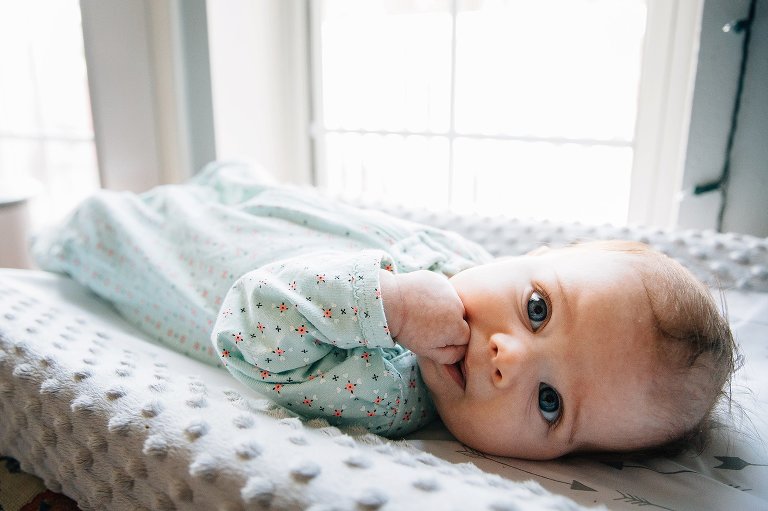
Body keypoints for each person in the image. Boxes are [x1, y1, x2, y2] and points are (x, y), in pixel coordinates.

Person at [32, 162, 737, 460]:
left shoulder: (389, 388)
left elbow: (248, 326)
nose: (510, 356)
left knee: (84, 222)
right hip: (247, 200)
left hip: (160, 253)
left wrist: (389, 305)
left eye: (549, 403)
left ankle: (46, 237)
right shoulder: (471, 261)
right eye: (537, 307)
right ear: (545, 253)